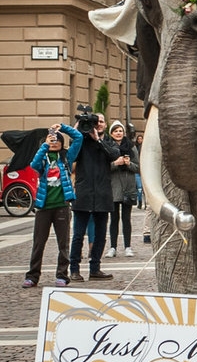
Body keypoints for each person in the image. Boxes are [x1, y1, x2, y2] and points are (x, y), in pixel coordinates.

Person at [22, 123, 83, 288]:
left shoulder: (66, 157)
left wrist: (62, 128)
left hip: (61, 206)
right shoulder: (44, 158)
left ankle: (62, 275)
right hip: (43, 206)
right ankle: (32, 276)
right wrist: (45, 144)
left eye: (57, 140)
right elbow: (33, 165)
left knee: (63, 244)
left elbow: (79, 137)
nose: (55, 142)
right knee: (38, 243)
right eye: (52, 140)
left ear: (62, 142)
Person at [69, 112, 120, 282]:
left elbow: (114, 156)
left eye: (101, 122)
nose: (97, 124)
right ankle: (74, 269)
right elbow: (71, 155)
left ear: (105, 125)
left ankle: (95, 268)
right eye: (95, 122)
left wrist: (98, 140)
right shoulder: (81, 142)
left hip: (103, 194)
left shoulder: (108, 143)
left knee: (100, 235)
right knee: (78, 235)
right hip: (84, 194)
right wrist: (76, 132)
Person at [107, 121, 139, 258]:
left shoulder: (131, 147)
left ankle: (128, 246)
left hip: (128, 186)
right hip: (113, 187)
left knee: (127, 219)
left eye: (120, 131)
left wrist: (128, 163)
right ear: (111, 133)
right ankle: (113, 247)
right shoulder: (107, 146)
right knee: (114, 219)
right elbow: (104, 168)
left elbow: (138, 167)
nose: (118, 133)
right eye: (115, 131)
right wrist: (115, 163)